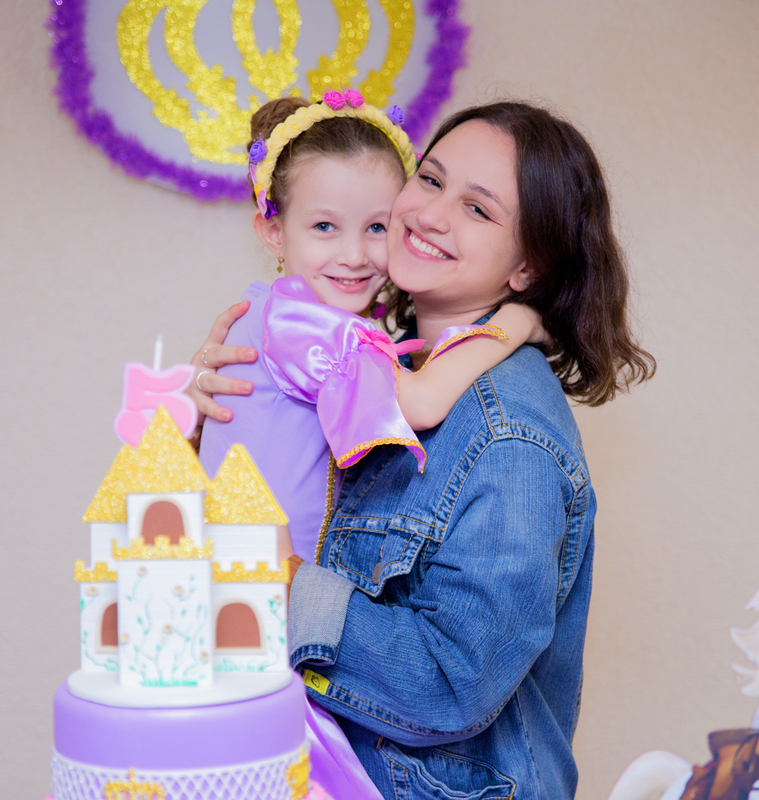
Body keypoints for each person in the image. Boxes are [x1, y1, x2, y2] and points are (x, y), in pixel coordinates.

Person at [193, 102, 654, 799]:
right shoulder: (372, 353)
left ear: (527, 265)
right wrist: (214, 420)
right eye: (432, 180)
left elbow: (453, 680)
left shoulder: (506, 434)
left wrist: (279, 584)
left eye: (478, 209)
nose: (431, 214)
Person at [192, 93, 544, 563]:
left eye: (376, 228)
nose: (354, 255)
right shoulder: (300, 324)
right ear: (274, 231)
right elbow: (421, 401)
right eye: (324, 226)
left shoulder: (298, 316)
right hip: (262, 594)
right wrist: (517, 321)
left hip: (273, 588)